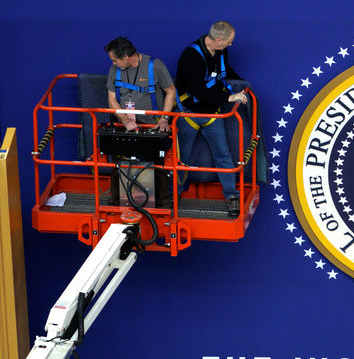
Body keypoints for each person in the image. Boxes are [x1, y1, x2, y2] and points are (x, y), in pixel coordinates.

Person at [175, 20, 248, 217]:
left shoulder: (220, 52)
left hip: (212, 113)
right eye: (228, 42)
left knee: (223, 155)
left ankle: (232, 196)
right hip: (190, 113)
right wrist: (230, 97)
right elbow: (200, 91)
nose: (230, 45)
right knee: (182, 159)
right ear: (217, 40)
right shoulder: (191, 56)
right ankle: (175, 195)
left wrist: (243, 86)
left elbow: (226, 72)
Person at [104, 37, 176, 207]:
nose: (113, 63)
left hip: (153, 125)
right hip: (125, 125)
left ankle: (162, 204)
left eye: (115, 59)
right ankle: (117, 203)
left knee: (157, 165)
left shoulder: (155, 66)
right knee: (118, 164)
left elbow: (171, 92)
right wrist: (124, 119)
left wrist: (164, 118)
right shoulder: (115, 70)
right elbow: (112, 99)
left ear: (127, 56)